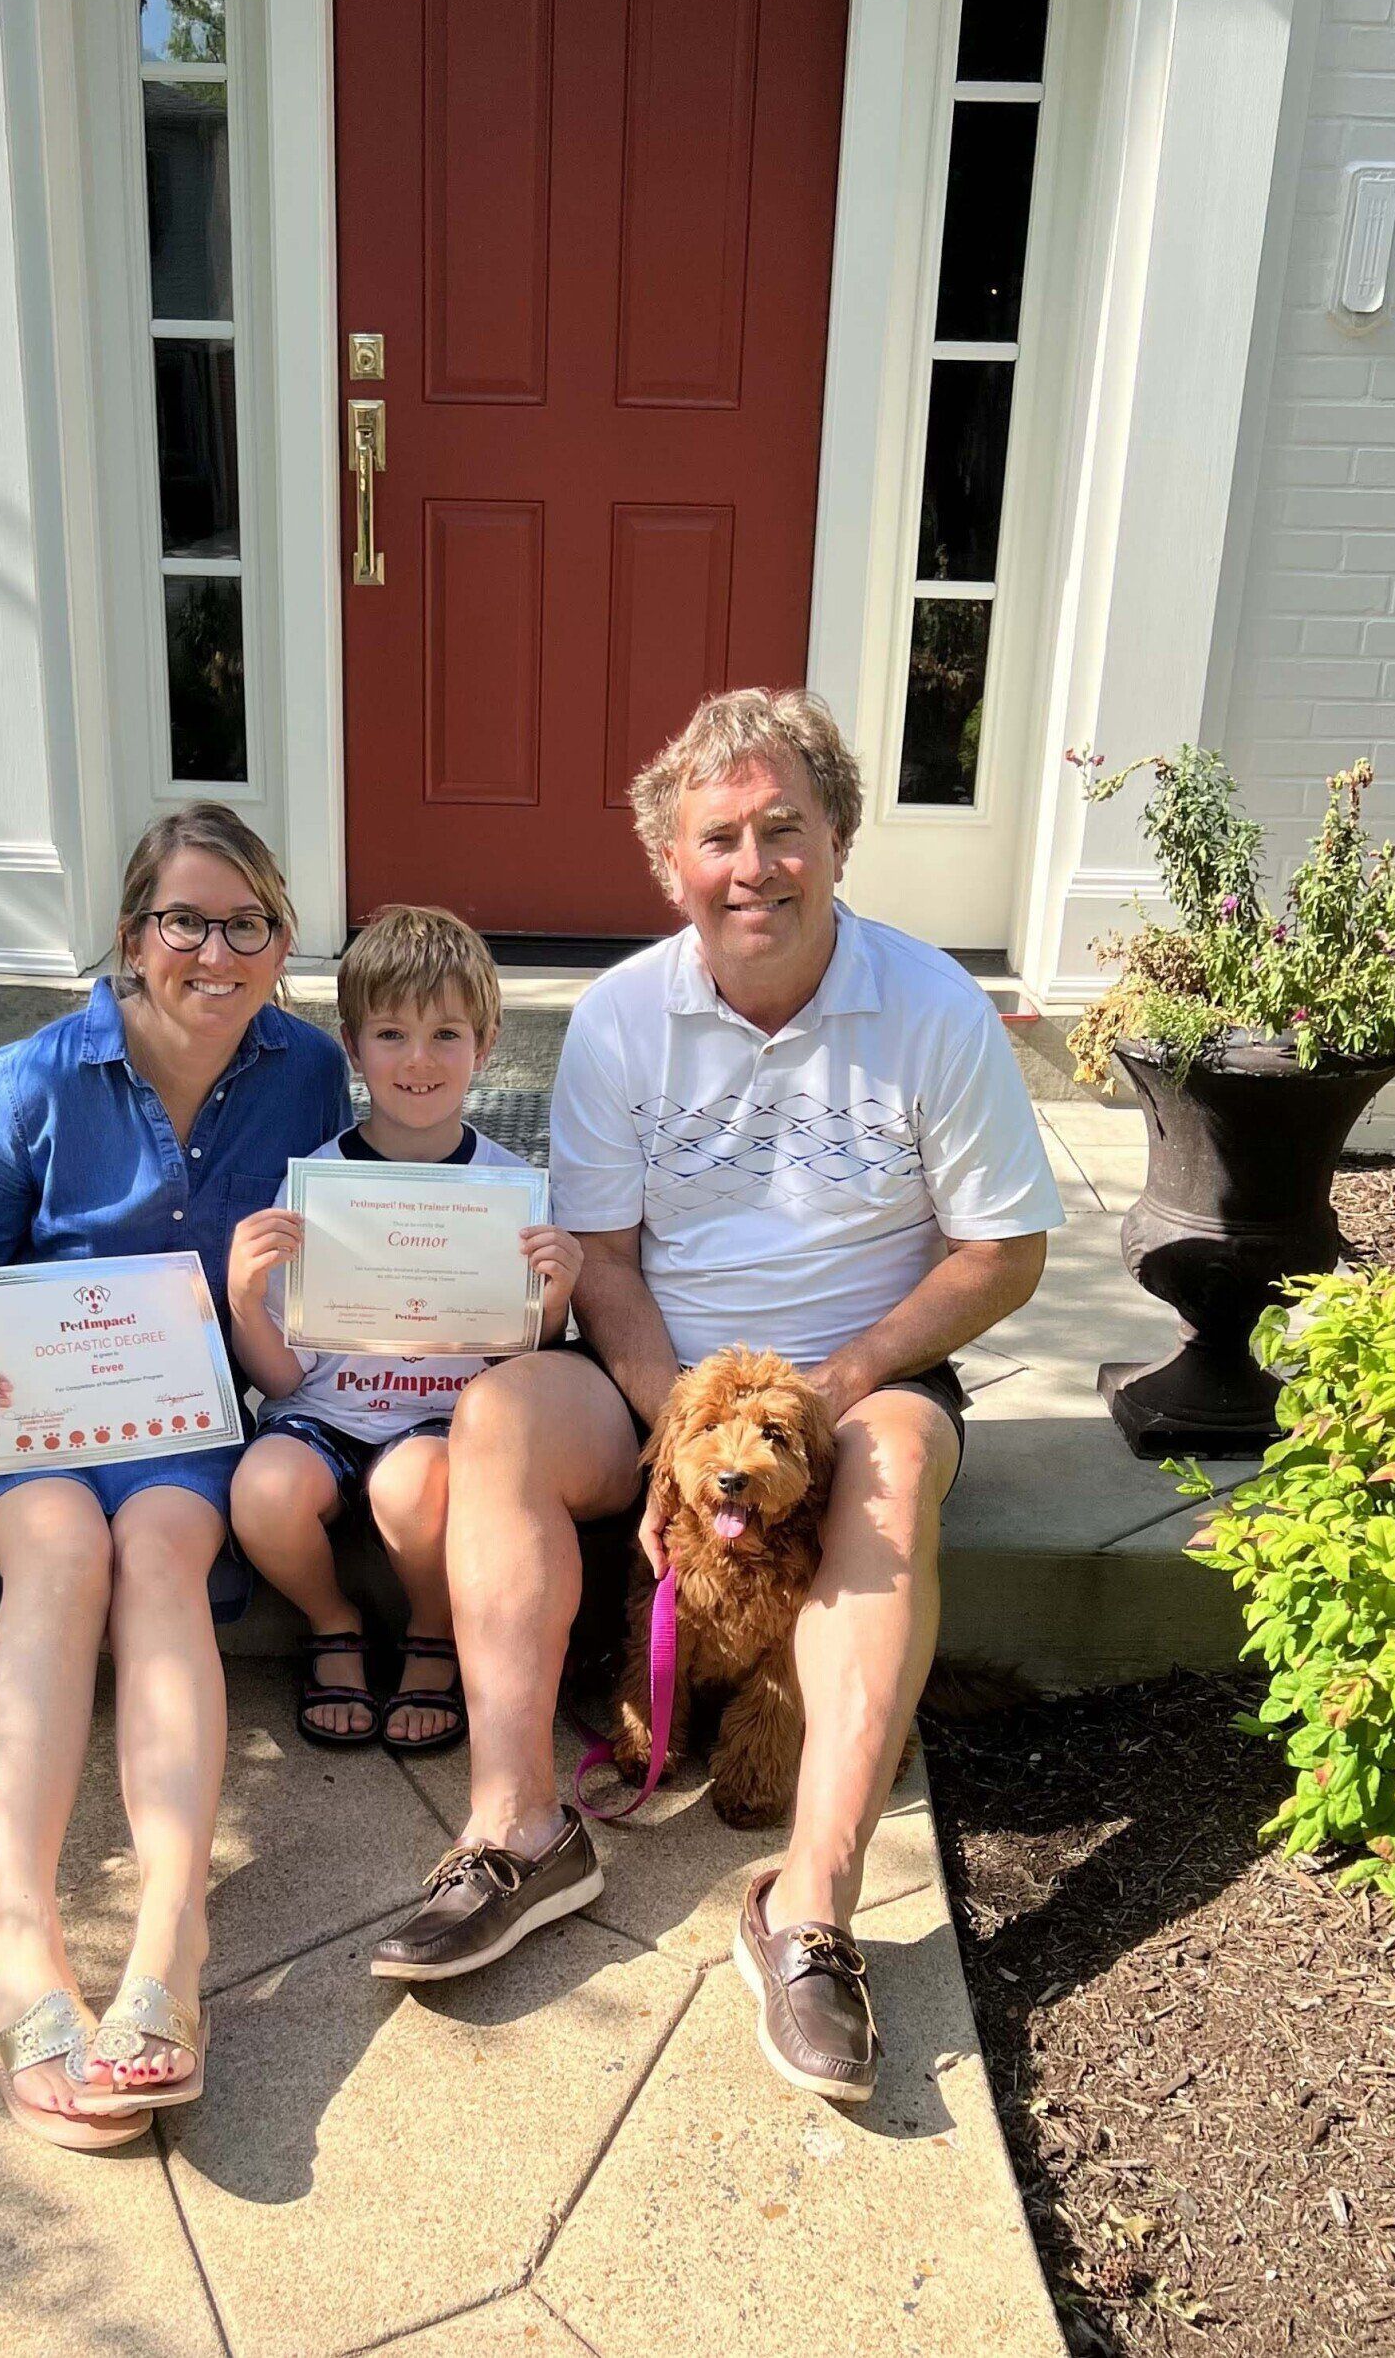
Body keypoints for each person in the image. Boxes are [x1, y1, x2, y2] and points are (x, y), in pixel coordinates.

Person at [370, 688, 1065, 2102]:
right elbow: (609, 1261)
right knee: (499, 1417)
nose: (753, 866)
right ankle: (519, 1832)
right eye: (719, 839)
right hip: (662, 1381)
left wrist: (841, 1380)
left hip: (861, 1380)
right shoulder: (625, 1017)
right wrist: (676, 1426)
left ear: (840, 837)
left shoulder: (934, 1008)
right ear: (671, 866)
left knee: (880, 1470)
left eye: (783, 830)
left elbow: (1007, 1251)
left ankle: (808, 1907)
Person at [0, 805, 350, 2146]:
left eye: (247, 922)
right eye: (185, 919)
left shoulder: (307, 1071)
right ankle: (16, 1941)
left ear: (281, 939)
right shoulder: (35, 1074)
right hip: (28, 1395)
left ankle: (171, 1937)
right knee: (68, 1549)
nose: (215, 950)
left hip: (178, 1402)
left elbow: (342, 1226)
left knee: (167, 1551)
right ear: (134, 936)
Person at [226, 906, 583, 1753]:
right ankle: (333, 1620)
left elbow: (520, 1366)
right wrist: (245, 1300)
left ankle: (434, 1629)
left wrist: (554, 1301)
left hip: (442, 1420)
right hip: (321, 1413)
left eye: (446, 1034)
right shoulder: (312, 1186)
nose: (417, 1061)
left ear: (486, 1043)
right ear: (352, 1047)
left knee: (411, 1485)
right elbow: (279, 1383)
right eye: (390, 1034)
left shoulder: (513, 1190)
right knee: (261, 1494)